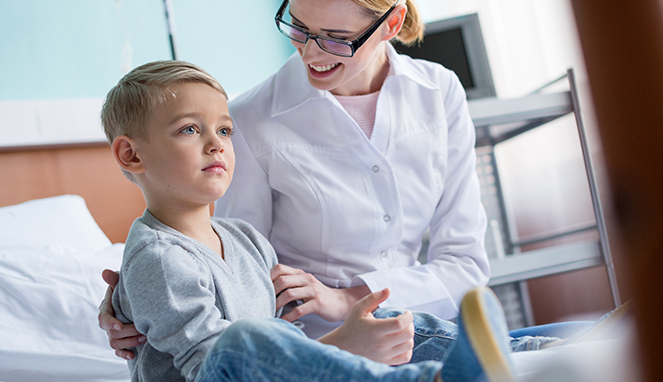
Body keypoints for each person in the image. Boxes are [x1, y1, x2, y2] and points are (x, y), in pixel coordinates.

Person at [100, 59, 518, 382]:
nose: (216, 145)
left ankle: (520, 349)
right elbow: (215, 364)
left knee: (388, 317)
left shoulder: (245, 238)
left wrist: (350, 337)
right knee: (243, 339)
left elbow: (287, 345)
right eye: (190, 130)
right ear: (131, 155)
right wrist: (342, 345)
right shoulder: (158, 259)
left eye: (225, 131)